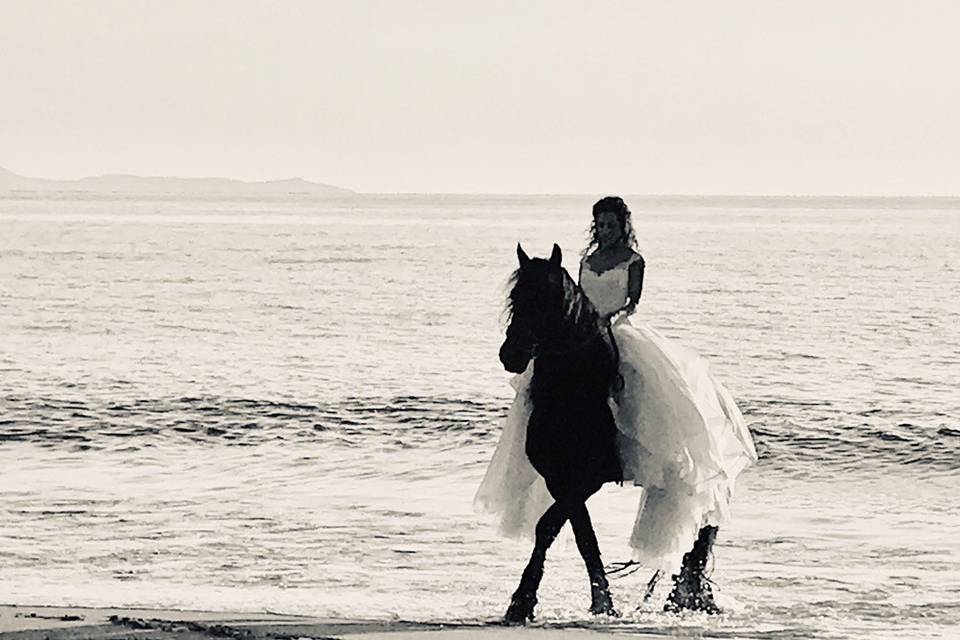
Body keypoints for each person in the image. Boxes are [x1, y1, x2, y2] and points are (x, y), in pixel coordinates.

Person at [475, 196, 758, 613]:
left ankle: (631, 444)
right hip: (584, 329)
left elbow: (631, 303)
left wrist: (607, 319)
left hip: (616, 330)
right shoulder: (587, 259)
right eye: (600, 224)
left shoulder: (633, 259)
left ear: (622, 226)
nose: (604, 230)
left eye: (610, 224)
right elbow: (572, 301)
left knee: (639, 385)